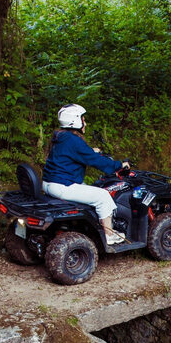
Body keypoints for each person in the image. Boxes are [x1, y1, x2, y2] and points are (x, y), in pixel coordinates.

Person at [42, 103, 130, 244]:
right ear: (75, 120)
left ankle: (93, 228)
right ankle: (110, 235)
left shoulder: (62, 136)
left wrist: (90, 150)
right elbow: (97, 161)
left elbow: (72, 153)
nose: (85, 123)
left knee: (90, 191)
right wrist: (119, 165)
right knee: (102, 196)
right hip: (63, 185)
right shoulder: (73, 140)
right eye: (83, 119)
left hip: (50, 183)